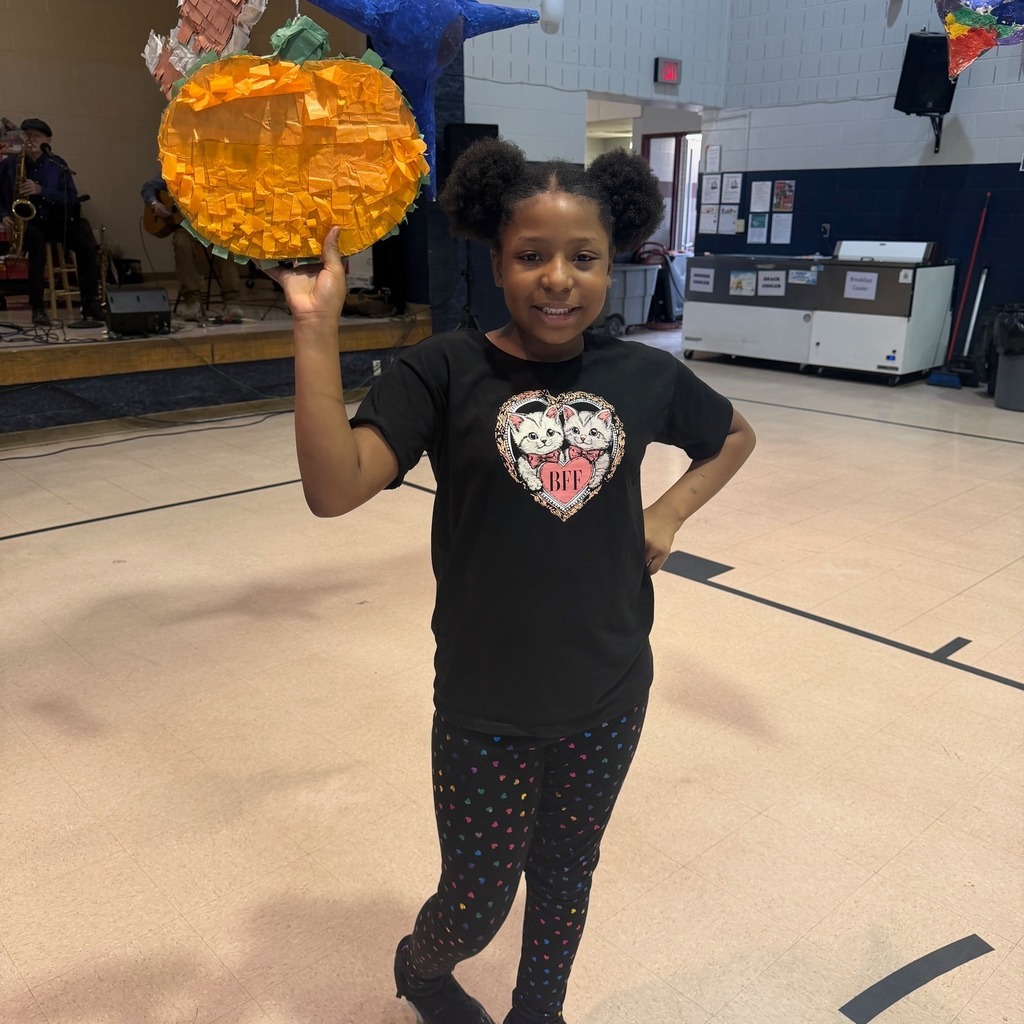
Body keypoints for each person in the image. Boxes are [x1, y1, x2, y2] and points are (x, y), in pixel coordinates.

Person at [269, 138, 756, 1024]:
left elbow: (731, 436)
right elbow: (334, 489)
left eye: (584, 258)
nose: (558, 279)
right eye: (531, 256)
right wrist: (315, 328)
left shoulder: (643, 374)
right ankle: (423, 967)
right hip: (486, 706)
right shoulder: (443, 371)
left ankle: (541, 1011)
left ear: (613, 264)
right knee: (478, 897)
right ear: (495, 262)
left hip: (610, 689)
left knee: (568, 871)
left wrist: (668, 513)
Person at [0, 118, 102, 326]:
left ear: (48, 140)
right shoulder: (10, 164)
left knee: (86, 248)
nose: (30, 139)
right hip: (30, 223)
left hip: (57, 221)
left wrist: (41, 190)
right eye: (27, 135)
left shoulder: (57, 164)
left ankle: (91, 304)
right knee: (36, 251)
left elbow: (70, 197)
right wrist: (3, 215)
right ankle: (38, 308)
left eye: (36, 136)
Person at [141, 172, 244, 322]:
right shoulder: (177, 169)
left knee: (225, 247)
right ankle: (192, 301)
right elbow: (148, 187)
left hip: (213, 225)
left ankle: (232, 302)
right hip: (186, 226)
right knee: (181, 244)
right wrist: (154, 204)